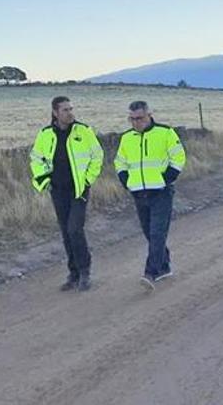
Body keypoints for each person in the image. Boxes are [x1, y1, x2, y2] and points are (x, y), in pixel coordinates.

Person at [30, 96, 104, 291]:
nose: (70, 113)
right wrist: (44, 180)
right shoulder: (45, 134)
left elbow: (97, 155)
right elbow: (36, 159)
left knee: (74, 229)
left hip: (79, 189)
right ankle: (73, 273)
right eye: (65, 110)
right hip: (58, 190)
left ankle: (85, 271)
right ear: (55, 113)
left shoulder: (84, 131)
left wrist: (88, 179)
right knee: (65, 232)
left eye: (71, 109)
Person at [114, 101, 187, 290]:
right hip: (138, 193)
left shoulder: (165, 133)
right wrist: (126, 181)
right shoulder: (127, 138)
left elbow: (178, 157)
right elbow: (120, 162)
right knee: (149, 233)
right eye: (132, 119)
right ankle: (164, 266)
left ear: (149, 115)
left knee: (157, 233)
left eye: (140, 118)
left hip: (161, 192)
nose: (136, 122)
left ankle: (150, 272)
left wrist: (165, 179)